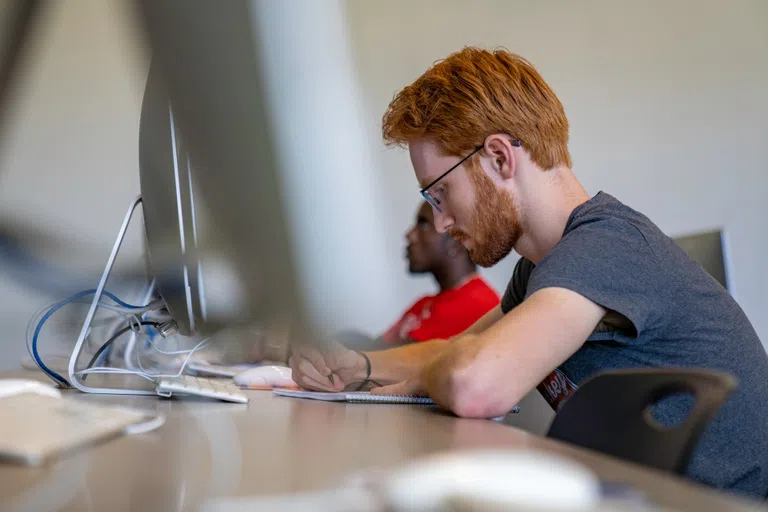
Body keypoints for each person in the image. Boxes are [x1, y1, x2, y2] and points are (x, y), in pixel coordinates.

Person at [288, 47, 768, 497]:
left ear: (499, 157)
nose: (441, 221)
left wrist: (423, 376)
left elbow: (476, 383)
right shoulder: (543, 267)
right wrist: (363, 366)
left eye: (440, 193)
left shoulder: (606, 245)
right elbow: (457, 352)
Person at [378, 201, 499, 345]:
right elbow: (371, 351)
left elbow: (392, 361)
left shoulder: (481, 307)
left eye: (423, 225)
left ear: (456, 240)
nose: (409, 235)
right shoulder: (423, 303)